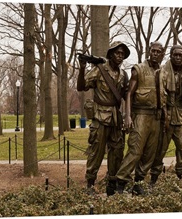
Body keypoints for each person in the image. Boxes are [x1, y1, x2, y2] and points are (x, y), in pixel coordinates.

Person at [77, 41, 130, 196]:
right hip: (100, 117)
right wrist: (81, 68)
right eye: (117, 53)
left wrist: (127, 116)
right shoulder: (99, 70)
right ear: (110, 54)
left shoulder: (123, 75)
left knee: (117, 152)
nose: (120, 56)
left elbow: (127, 96)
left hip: (116, 119)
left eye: (122, 54)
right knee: (96, 152)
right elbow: (81, 87)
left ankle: (112, 185)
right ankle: (90, 185)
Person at [115, 41, 167, 195]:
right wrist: (128, 116)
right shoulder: (139, 69)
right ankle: (120, 183)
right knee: (135, 150)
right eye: (153, 51)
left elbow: (164, 97)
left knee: (149, 153)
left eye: (159, 51)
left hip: (156, 117)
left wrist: (166, 117)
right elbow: (129, 93)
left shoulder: (163, 72)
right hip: (141, 115)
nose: (155, 54)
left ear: (163, 54)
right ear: (149, 51)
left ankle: (138, 183)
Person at [149, 45, 182, 186]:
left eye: (180, 55)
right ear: (171, 56)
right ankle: (153, 179)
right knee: (161, 149)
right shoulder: (162, 72)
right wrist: (164, 116)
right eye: (175, 55)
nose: (177, 57)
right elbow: (159, 97)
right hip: (167, 115)